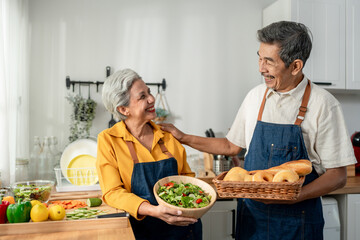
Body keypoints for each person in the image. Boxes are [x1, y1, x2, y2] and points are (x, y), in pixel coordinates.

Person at [160, 21, 357, 240]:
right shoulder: (255, 96)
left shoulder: (324, 104)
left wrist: (293, 195)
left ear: (296, 66)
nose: (261, 67)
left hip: (297, 223)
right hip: (253, 220)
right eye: (260, 57)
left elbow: (338, 175)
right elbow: (231, 146)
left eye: (269, 61)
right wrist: (183, 137)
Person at [96, 68, 201, 240]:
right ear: (123, 109)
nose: (152, 99)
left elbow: (187, 179)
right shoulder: (109, 140)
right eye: (142, 96)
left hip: (183, 230)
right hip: (142, 231)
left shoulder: (167, 135)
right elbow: (112, 192)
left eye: (149, 93)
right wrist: (154, 211)